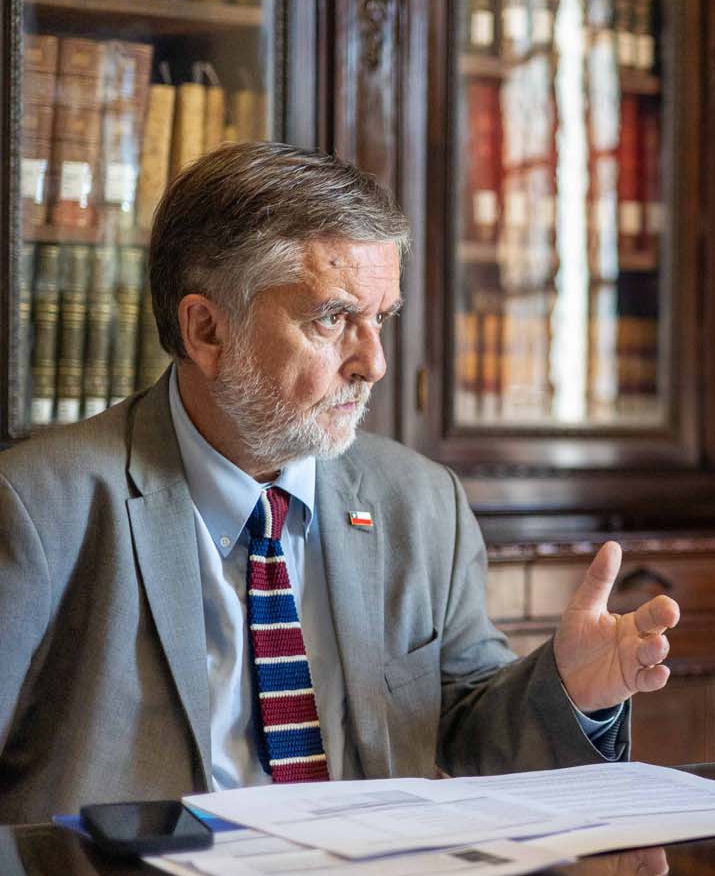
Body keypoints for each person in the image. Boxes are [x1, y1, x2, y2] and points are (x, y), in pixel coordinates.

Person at [0, 142, 680, 824]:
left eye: (379, 318)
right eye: (332, 319)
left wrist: (569, 691)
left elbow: (468, 729)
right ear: (207, 330)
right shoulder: (36, 508)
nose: (373, 363)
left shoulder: (419, 501)